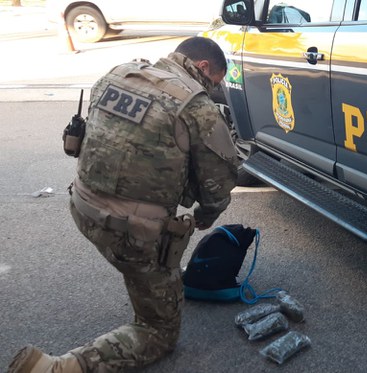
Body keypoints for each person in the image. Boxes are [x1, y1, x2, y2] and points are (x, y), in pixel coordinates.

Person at [8, 36, 239, 373]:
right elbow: (218, 183)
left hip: (82, 206)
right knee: (158, 332)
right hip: (129, 234)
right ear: (203, 67)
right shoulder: (196, 106)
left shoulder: (120, 72)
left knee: (149, 271)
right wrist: (207, 214)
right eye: (214, 82)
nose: (212, 89)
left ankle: (150, 279)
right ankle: (55, 368)